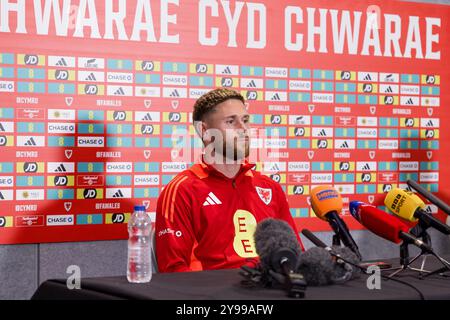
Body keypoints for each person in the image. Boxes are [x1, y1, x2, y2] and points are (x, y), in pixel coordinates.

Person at [155, 88, 304, 272]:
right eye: (231, 121)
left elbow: (294, 256)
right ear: (205, 131)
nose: (243, 129)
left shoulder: (270, 188)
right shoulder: (182, 190)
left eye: (246, 120)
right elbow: (173, 272)